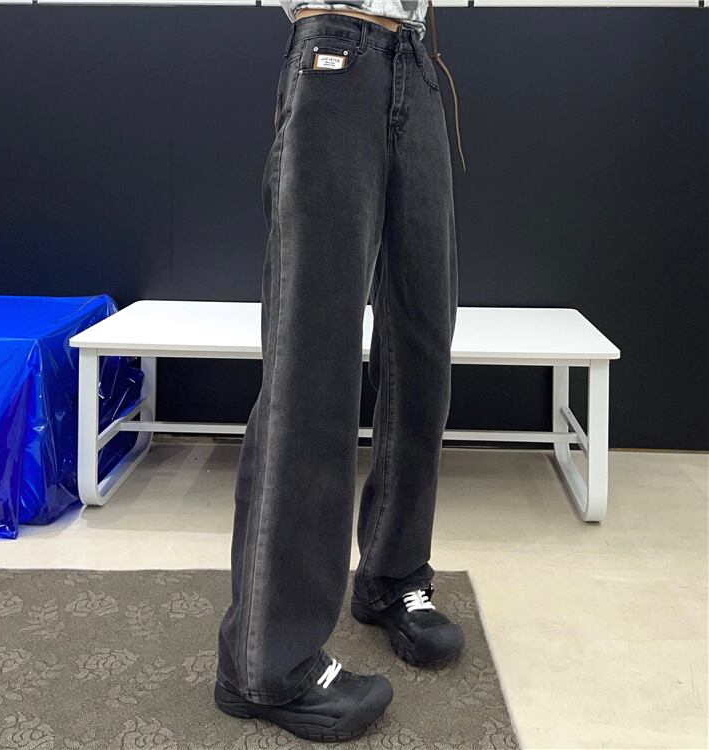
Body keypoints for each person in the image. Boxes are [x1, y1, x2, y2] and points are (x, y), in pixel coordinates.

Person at [214, 0, 465, 741]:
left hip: (416, 64)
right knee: (312, 365)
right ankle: (265, 665)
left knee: (422, 349)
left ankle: (391, 575)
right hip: (334, 55)